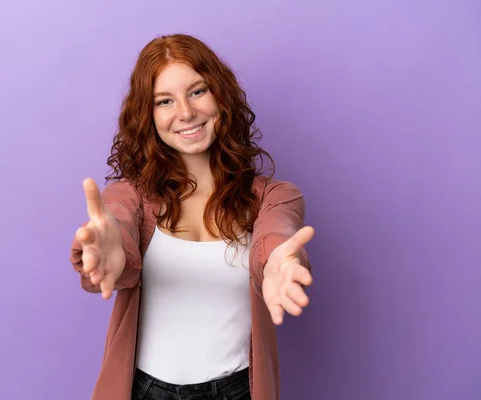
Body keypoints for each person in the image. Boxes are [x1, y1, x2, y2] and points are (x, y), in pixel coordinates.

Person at [70, 33, 314, 400]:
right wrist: (108, 255)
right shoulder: (128, 197)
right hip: (146, 391)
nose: (185, 112)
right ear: (148, 116)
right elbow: (116, 234)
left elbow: (275, 237)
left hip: (237, 390)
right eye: (164, 100)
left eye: (197, 91)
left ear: (221, 95)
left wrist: (281, 260)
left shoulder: (274, 197)